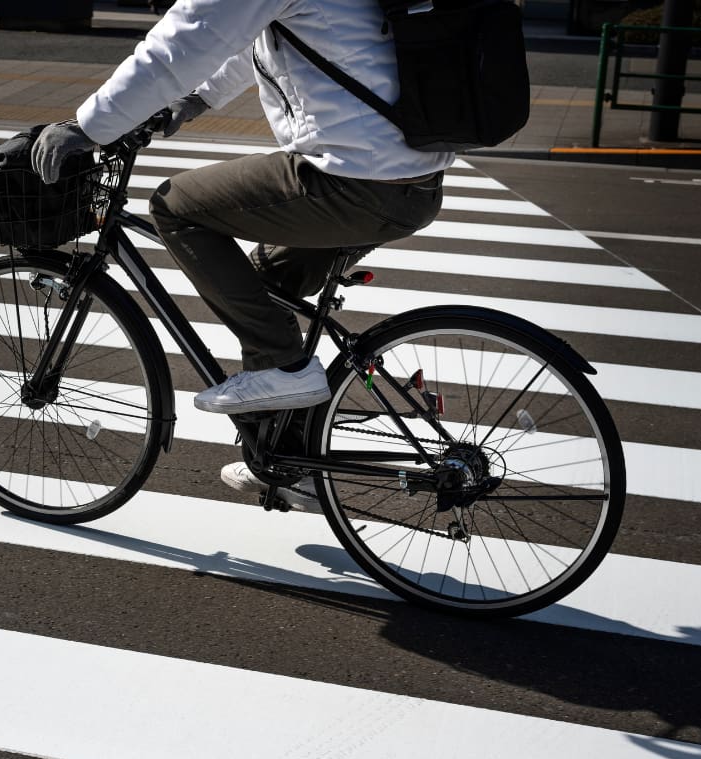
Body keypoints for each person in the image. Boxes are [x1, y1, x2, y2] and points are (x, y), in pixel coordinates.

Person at [31, 0, 453, 510]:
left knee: (175, 207)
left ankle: (285, 367)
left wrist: (86, 127)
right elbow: (247, 32)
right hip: (411, 182)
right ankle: (289, 462)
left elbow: (186, 37)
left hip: (351, 178)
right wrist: (196, 99)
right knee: (263, 286)